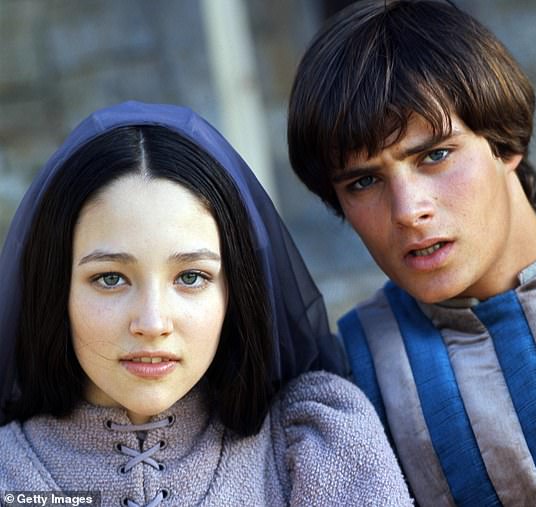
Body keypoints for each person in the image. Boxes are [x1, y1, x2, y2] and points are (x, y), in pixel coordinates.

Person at [287, 1, 536, 505]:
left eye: (435, 155)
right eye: (364, 181)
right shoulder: (355, 373)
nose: (408, 210)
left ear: (504, 142)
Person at [0, 101, 412, 506]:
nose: (153, 322)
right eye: (110, 278)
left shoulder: (311, 440)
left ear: (234, 290)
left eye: (191, 277)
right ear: (56, 289)